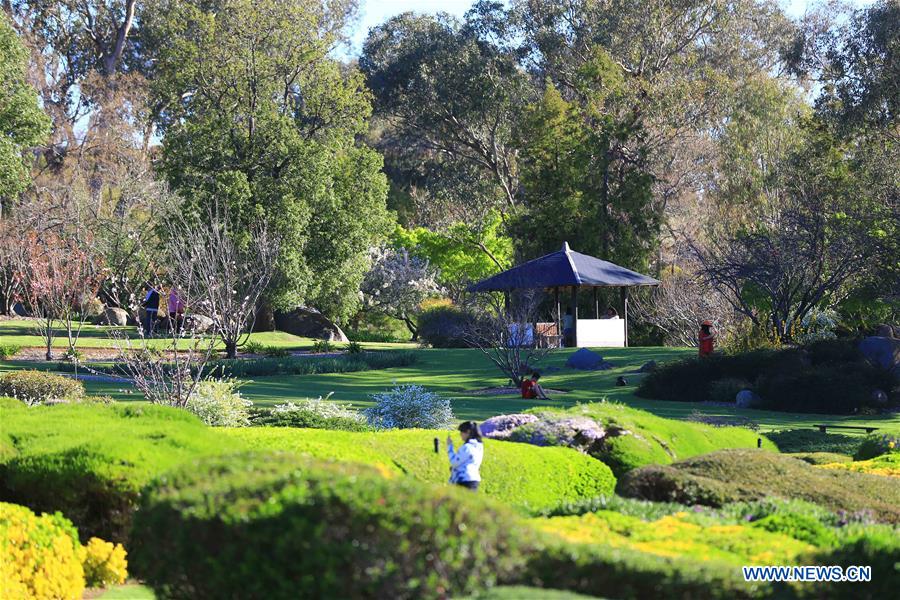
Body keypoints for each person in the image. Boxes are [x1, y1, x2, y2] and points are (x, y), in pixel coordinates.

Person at [447, 421, 483, 491]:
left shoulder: (467, 447)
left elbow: (454, 462)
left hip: (463, 480)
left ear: (468, 432)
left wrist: (450, 446)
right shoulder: (479, 446)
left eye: (461, 432)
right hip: (474, 479)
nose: (460, 434)